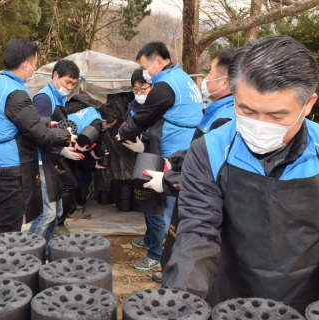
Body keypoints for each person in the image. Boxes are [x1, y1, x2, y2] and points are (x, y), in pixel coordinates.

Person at [163, 35, 319, 314]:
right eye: (246, 110)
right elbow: (198, 234)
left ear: (308, 105)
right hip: (229, 296)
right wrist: (183, 304)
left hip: (303, 298)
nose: (259, 126)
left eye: (276, 116)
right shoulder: (210, 150)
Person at [142, 48, 236, 282]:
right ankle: (172, 268)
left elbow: (211, 171)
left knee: (190, 236)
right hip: (185, 176)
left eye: (210, 72)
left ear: (224, 82)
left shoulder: (225, 118)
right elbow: (199, 149)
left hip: (205, 199)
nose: (205, 79)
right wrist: (172, 161)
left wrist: (167, 181)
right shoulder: (215, 110)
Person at [117, 41, 203, 271]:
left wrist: (124, 132)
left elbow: (142, 117)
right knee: (160, 201)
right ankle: (154, 243)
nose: (146, 73)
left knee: (162, 204)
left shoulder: (165, 86)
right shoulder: (182, 78)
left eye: (146, 67)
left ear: (158, 62)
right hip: (183, 150)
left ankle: (162, 255)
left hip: (170, 155)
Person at [0, 39, 74, 234]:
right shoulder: (15, 91)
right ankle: (4, 263)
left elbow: (21, 122)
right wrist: (67, 138)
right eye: (35, 64)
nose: (35, 69)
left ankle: (3, 260)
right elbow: (40, 136)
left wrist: (50, 124)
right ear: (25, 65)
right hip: (11, 165)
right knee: (9, 224)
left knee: (6, 220)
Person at [30, 59, 82, 240]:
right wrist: (61, 149)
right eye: (67, 82)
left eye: (73, 84)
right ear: (55, 76)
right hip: (42, 161)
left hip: (54, 160)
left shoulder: (59, 98)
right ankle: (30, 254)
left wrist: (64, 148)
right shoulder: (44, 98)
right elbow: (39, 133)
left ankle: (44, 251)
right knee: (47, 214)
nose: (69, 87)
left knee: (57, 211)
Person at [67, 104, 121, 216]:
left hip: (66, 135)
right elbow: (81, 150)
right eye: (111, 125)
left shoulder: (93, 111)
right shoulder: (95, 126)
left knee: (78, 176)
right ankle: (70, 211)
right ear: (104, 122)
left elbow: (98, 137)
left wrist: (99, 153)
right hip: (65, 143)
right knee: (72, 180)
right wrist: (93, 164)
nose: (111, 127)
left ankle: (73, 205)